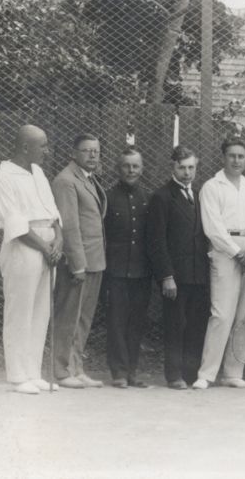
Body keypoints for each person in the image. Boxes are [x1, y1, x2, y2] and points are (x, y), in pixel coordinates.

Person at [0, 125, 63, 394]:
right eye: (42, 145)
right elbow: (16, 225)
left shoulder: (39, 173)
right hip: (24, 248)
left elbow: (54, 214)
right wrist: (45, 247)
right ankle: (18, 375)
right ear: (24, 147)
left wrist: (58, 240)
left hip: (48, 246)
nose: (47, 150)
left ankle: (33, 371)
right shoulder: (3, 178)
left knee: (41, 311)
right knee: (20, 312)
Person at [193, 137, 245, 389]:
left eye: (241, 156)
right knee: (221, 314)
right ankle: (206, 374)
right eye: (232, 156)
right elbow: (213, 229)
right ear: (223, 158)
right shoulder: (211, 187)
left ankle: (233, 373)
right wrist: (239, 253)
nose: (236, 160)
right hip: (226, 256)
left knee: (244, 314)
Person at [146, 145, 211, 390]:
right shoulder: (162, 197)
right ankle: (174, 375)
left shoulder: (198, 195)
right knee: (175, 325)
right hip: (176, 276)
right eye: (182, 168)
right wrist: (166, 276)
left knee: (196, 324)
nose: (187, 173)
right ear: (172, 167)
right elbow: (157, 241)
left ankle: (191, 373)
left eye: (191, 167)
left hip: (198, 273)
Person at [51, 133, 107, 389]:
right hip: (78, 263)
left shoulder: (89, 179)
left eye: (96, 151)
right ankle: (62, 371)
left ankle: (77, 367)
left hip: (96, 260)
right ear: (73, 153)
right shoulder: (65, 181)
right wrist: (77, 264)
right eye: (86, 151)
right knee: (68, 317)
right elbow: (70, 225)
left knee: (83, 319)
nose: (92, 155)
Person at [103, 148, 152, 388]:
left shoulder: (147, 198)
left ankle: (133, 370)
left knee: (137, 321)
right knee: (117, 321)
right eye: (126, 166)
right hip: (116, 271)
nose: (131, 170)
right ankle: (119, 372)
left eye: (135, 166)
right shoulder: (108, 197)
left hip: (141, 271)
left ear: (142, 169)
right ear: (118, 168)